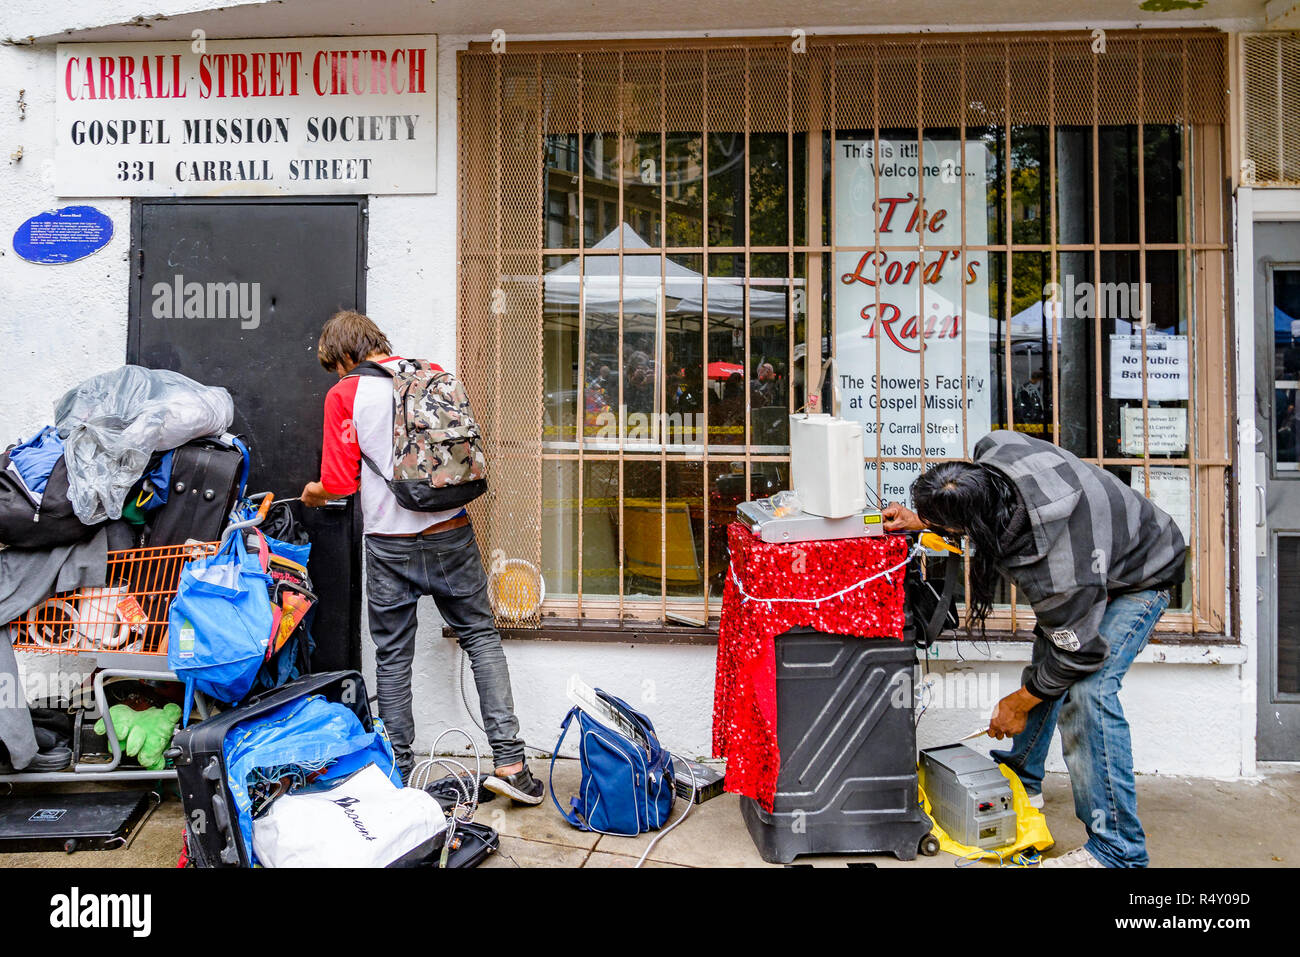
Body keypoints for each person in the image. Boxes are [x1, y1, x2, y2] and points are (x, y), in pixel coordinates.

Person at [883, 430, 1185, 867]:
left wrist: (1018, 703)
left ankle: (1118, 850)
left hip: (1142, 572)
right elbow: (981, 513)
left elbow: (1076, 655)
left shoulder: (1056, 568)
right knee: (1050, 666)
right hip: (1100, 548)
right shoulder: (996, 452)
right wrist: (922, 520)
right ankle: (1024, 779)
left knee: (1088, 693)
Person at [300, 310, 543, 804]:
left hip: (390, 543)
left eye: (336, 365)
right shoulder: (427, 371)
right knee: (480, 637)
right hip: (451, 530)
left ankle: (398, 775)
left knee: (392, 658)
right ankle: (512, 765)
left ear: (344, 355)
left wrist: (312, 493)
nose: (338, 374)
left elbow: (341, 484)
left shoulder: (345, 394)